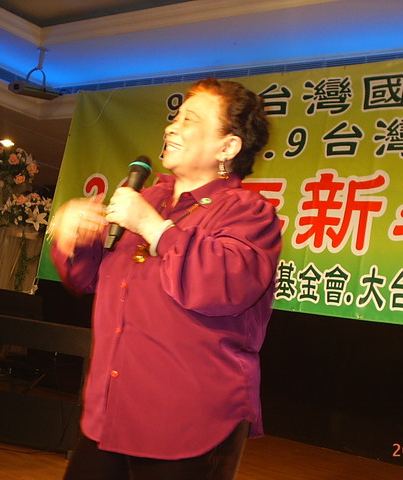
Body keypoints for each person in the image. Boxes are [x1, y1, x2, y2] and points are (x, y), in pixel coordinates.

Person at [50, 77, 282, 480]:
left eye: (190, 120)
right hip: (109, 412)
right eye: (175, 117)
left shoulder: (248, 212)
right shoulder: (147, 199)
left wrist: (155, 229)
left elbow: (223, 285)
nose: (171, 127)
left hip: (188, 424)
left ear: (227, 147)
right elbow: (86, 279)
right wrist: (76, 237)